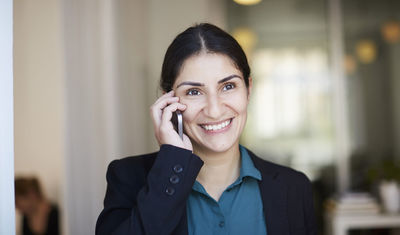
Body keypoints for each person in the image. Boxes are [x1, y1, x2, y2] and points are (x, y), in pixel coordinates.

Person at [96, 23, 317, 235]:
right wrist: (172, 163)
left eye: (228, 86)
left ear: (248, 89)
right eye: (194, 91)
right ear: (168, 100)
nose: (214, 110)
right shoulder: (128, 178)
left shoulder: (294, 188)